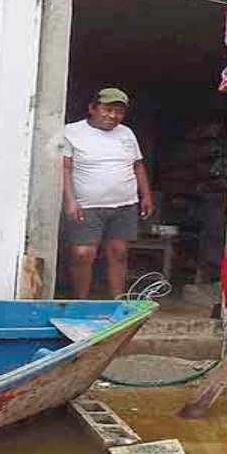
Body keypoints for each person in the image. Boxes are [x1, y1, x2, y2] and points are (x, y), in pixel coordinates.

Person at [62, 87, 154, 299]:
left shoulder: (126, 133)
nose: (113, 116)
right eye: (108, 109)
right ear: (93, 108)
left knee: (119, 252)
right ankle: (81, 302)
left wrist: (146, 196)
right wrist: (70, 200)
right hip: (87, 205)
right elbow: (66, 168)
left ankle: (117, 302)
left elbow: (138, 166)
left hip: (124, 204)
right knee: (83, 253)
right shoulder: (71, 131)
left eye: (119, 112)